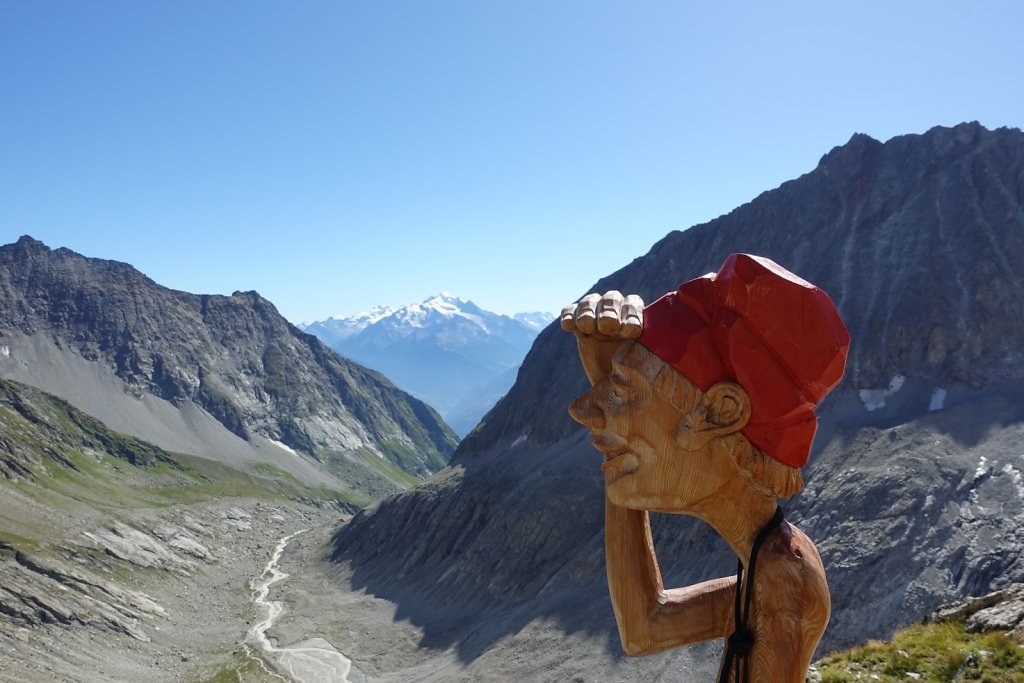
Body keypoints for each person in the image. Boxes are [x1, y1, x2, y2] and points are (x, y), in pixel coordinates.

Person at [560, 253, 849, 683]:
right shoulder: (770, 563)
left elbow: (643, 631)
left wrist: (616, 442)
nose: (581, 410)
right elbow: (644, 628)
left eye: (621, 389)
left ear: (719, 412)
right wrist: (615, 438)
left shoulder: (785, 584)